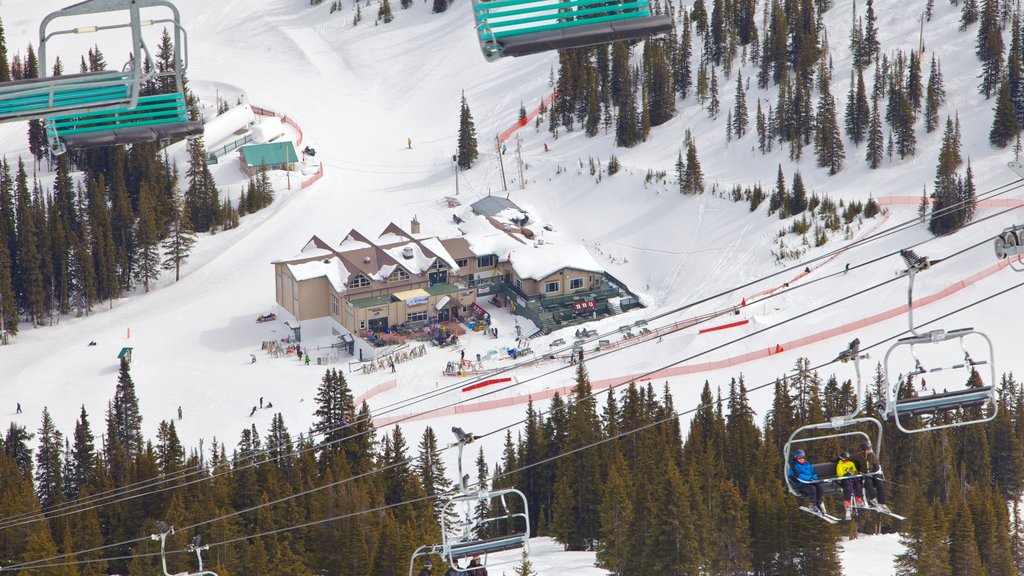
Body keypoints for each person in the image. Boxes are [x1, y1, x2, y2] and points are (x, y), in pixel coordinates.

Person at [788, 449, 825, 514]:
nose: (801, 459)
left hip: (811, 482)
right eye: (799, 458)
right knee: (812, 489)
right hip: (801, 484)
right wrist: (809, 478)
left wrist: (813, 478)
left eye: (802, 457)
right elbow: (798, 476)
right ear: (796, 458)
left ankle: (819, 503)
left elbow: (813, 473)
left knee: (820, 487)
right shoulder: (793, 466)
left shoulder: (807, 464)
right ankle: (812, 505)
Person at [855, 443, 890, 513]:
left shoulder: (873, 456)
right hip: (864, 476)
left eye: (870, 449)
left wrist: (874, 473)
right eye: (868, 449)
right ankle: (874, 500)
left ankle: (882, 503)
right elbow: (849, 460)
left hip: (873, 474)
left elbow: (876, 467)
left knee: (880, 483)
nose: (869, 451)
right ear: (863, 450)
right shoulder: (858, 457)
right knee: (868, 482)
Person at [835, 450, 865, 520]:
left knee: (857, 484)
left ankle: (858, 499)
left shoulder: (851, 463)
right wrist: (846, 473)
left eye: (848, 459)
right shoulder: (840, 465)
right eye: (846, 459)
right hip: (844, 479)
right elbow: (839, 473)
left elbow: (854, 471)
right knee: (847, 487)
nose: (847, 460)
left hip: (852, 478)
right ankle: (847, 502)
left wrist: (853, 472)